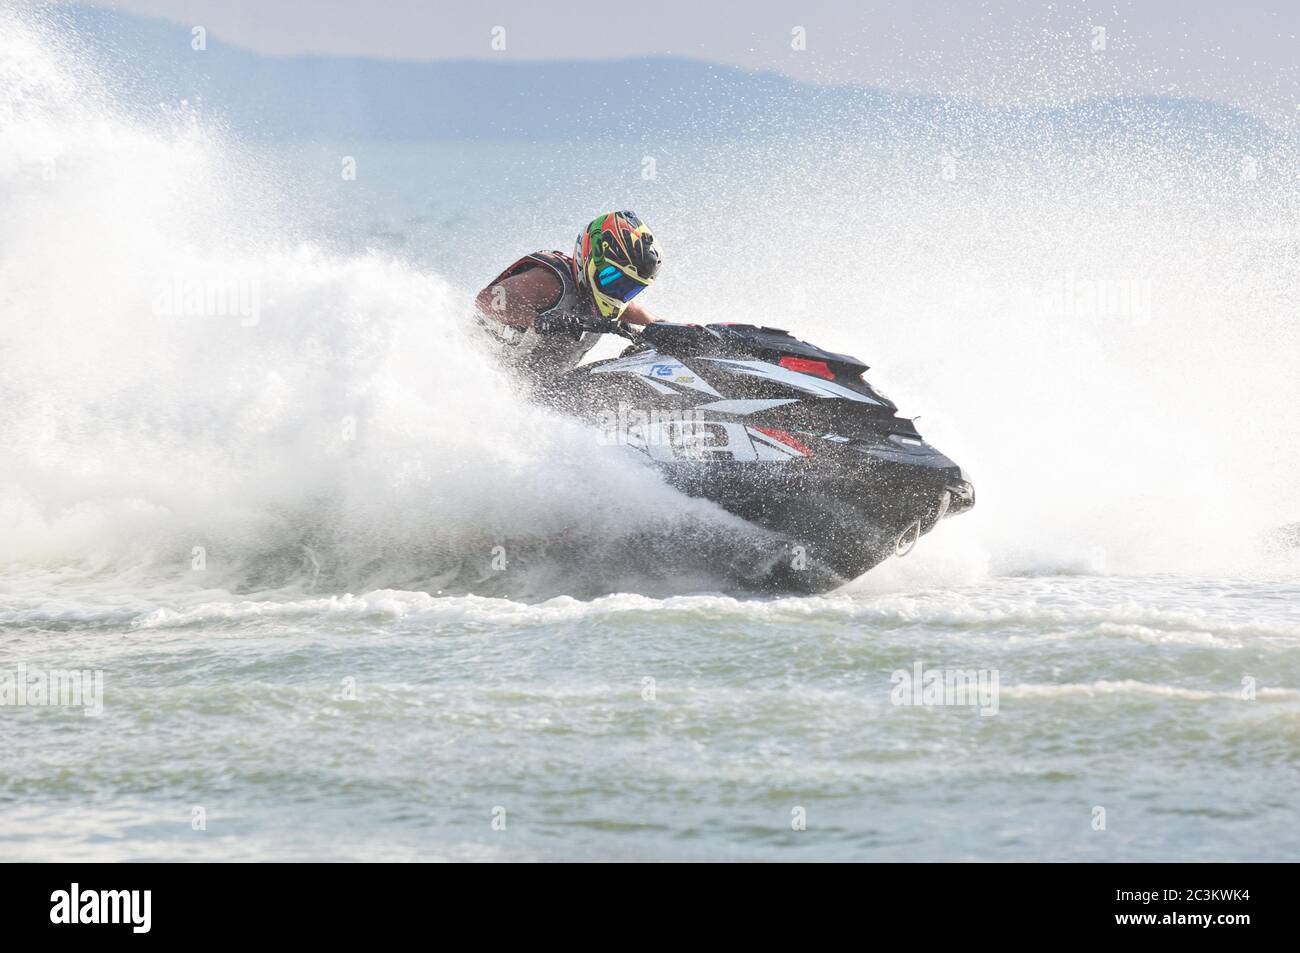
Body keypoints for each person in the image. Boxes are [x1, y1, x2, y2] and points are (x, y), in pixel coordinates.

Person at [474, 210, 662, 377]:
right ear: (592, 258)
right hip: (485, 380)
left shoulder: (617, 302)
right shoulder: (548, 281)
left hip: (537, 396)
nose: (620, 291)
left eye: (630, 287)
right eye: (613, 278)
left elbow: (658, 325)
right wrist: (537, 320)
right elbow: (487, 298)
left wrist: (681, 334)